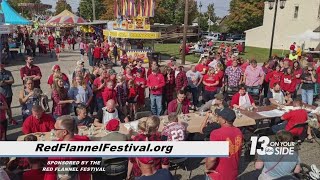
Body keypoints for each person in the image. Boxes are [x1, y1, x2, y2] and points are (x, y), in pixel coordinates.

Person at [44, 115, 91, 180]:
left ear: (64, 132)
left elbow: (50, 175)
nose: (54, 131)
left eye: (55, 129)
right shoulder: (85, 141)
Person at [205, 108, 243, 180]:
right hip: (232, 173)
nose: (218, 117)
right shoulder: (238, 131)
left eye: (219, 116)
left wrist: (207, 168)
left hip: (218, 175)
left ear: (224, 121)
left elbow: (212, 159)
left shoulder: (216, 133)